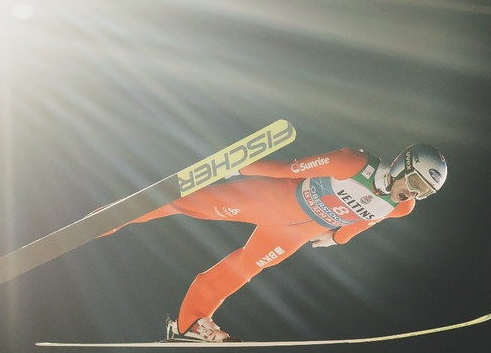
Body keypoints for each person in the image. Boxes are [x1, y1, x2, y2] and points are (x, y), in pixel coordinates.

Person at [104, 143, 448, 341]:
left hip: (293, 234)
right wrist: (240, 167)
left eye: (424, 192)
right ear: (402, 166)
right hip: (273, 200)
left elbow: (366, 221)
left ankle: (190, 324)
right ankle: (112, 220)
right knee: (187, 203)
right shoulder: (353, 163)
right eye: (414, 183)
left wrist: (337, 238)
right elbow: (291, 169)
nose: (413, 193)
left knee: (244, 268)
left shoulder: (402, 207)